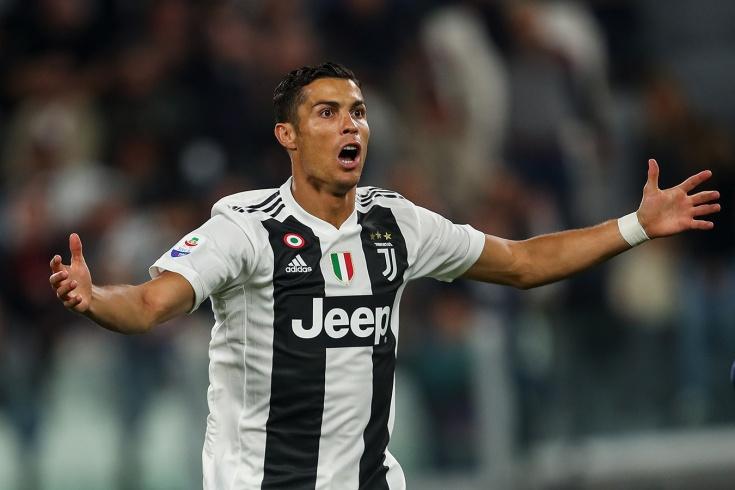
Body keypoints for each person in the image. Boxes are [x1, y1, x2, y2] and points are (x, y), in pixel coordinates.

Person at [49, 62, 720, 490]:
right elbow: (150, 303)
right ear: (287, 136)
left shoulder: (395, 222)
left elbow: (521, 263)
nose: (351, 125)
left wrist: (634, 226)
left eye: (358, 112)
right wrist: (95, 298)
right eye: (327, 112)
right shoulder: (244, 229)